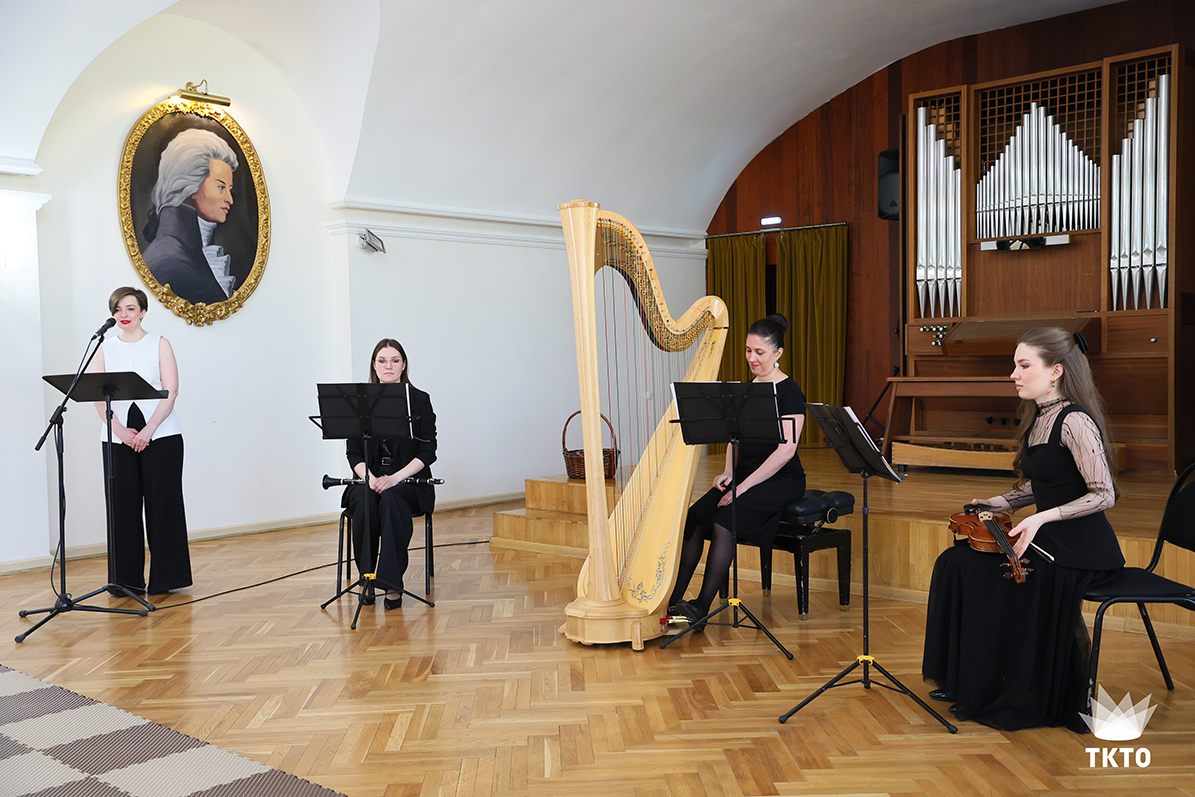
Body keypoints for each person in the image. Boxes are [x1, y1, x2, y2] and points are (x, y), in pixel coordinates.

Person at [922, 327, 1125, 731]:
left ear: (1056, 371)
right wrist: (998, 503)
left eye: (1023, 365)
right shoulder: (1040, 416)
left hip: (1081, 550)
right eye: (1015, 365)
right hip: (1051, 539)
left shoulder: (1075, 421)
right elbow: (1043, 483)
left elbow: (1104, 495)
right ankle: (968, 682)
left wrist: (1040, 518)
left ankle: (1011, 692)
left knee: (996, 579)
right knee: (956, 562)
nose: (1013, 374)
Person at [668, 314, 806, 627]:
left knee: (723, 522)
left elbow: (785, 451)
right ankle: (672, 601)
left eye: (759, 352)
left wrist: (741, 489)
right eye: (748, 350)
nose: (751, 358)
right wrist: (728, 472)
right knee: (694, 518)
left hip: (781, 480)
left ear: (778, 353)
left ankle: (700, 608)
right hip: (744, 475)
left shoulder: (789, 392)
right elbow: (735, 437)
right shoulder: (746, 389)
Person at [92, 287, 192, 595]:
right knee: (121, 508)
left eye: (130, 308)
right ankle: (125, 581)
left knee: (163, 506)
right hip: (117, 436)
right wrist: (120, 432)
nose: (123, 315)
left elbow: (171, 391)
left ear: (143, 312)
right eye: (118, 310)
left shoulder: (159, 343)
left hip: (161, 434)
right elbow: (97, 396)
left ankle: (167, 579)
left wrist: (149, 430)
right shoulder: (105, 347)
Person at [344, 339, 437, 609]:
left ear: (403, 365)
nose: (389, 366)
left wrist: (395, 479)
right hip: (370, 478)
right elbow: (354, 454)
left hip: (408, 481)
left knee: (392, 500)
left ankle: (392, 583)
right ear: (374, 365)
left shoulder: (419, 400)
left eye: (395, 360)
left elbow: (428, 452)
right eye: (382, 360)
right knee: (364, 500)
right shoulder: (359, 403)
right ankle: (367, 577)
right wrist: (371, 479)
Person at [142, 128, 239, 305]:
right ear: (190, 185)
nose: (229, 199)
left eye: (229, 189)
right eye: (221, 187)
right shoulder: (169, 261)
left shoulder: (189, 252)